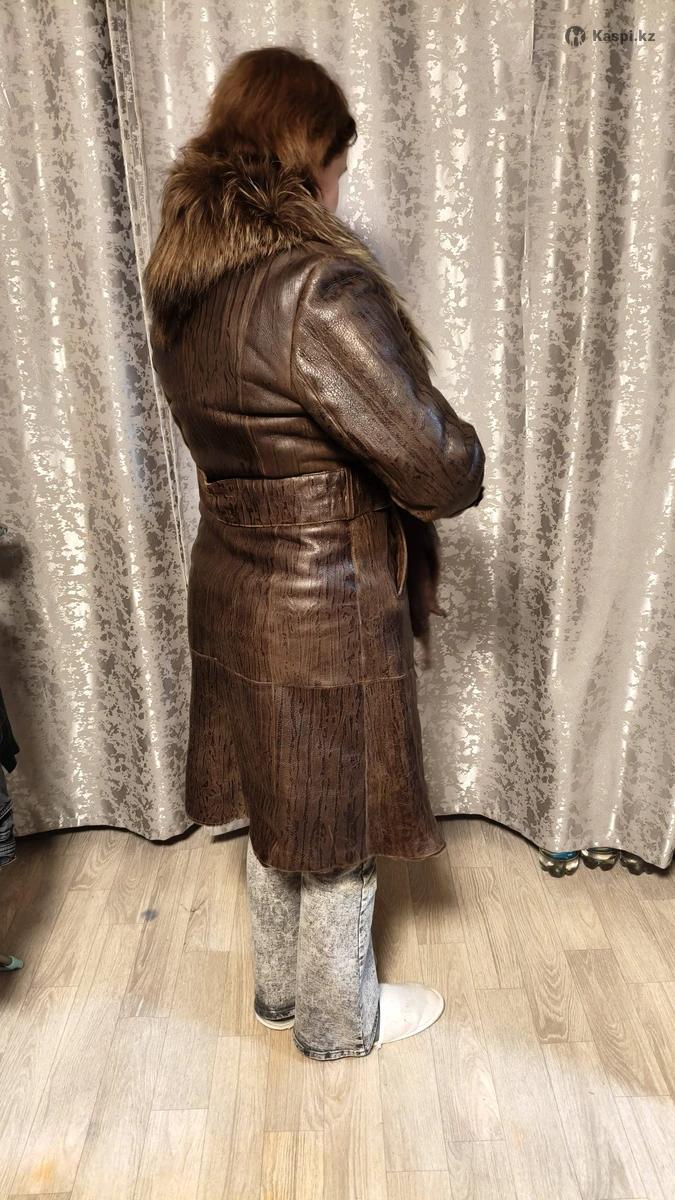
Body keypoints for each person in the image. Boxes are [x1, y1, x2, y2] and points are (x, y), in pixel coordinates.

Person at [144, 46, 485, 1060]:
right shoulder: (315, 289)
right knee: (332, 824)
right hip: (319, 596)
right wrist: (465, 453)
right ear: (307, 157)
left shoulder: (184, 285)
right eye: (337, 161)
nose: (341, 185)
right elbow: (434, 466)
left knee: (273, 800)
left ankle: (282, 992)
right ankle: (340, 1024)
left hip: (230, 581)